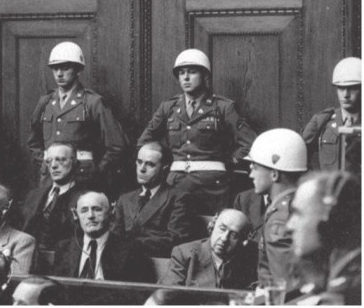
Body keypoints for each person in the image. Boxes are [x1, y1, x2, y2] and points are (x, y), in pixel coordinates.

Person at [137, 48, 256, 214]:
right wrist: (164, 164)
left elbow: (250, 144)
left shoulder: (222, 107)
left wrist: (227, 163)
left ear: (204, 75)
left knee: (210, 231)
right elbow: (144, 142)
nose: (185, 78)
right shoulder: (168, 107)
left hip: (212, 185)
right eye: (181, 73)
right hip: (175, 183)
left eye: (192, 72)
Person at [26, 42, 129, 190]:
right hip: (49, 178)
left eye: (65, 68)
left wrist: (95, 171)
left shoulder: (93, 102)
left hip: (81, 177)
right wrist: (45, 163)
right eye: (55, 68)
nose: (59, 74)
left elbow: (117, 145)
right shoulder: (46, 102)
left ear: (78, 70)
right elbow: (33, 142)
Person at [286, 171, 361, 305]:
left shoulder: (350, 293)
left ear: (329, 224)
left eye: (298, 213)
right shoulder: (331, 282)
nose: (289, 226)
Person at [246, 128, 307, 290]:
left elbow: (285, 287)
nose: (250, 174)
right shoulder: (304, 205)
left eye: (255, 167)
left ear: (274, 174)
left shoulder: (279, 219)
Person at [111, 142, 193, 257]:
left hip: (159, 263)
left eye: (150, 164)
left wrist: (134, 244)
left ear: (165, 169)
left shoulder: (178, 197)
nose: (142, 169)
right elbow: (115, 237)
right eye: (139, 162)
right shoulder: (125, 199)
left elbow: (176, 239)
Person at [52, 191, 154, 282]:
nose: (90, 215)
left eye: (97, 209)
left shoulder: (131, 250)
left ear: (111, 212)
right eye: (84, 210)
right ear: (75, 215)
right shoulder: (64, 248)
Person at [160, 209, 257, 289]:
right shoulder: (184, 254)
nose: (224, 238)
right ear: (212, 227)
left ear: (243, 240)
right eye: (222, 229)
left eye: (233, 235)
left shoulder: (248, 260)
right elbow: (166, 295)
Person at [303, 57, 361, 174]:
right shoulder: (322, 121)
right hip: (329, 190)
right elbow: (298, 154)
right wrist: (315, 182)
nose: (346, 95)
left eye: (352, 88)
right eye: (341, 88)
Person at [18, 143, 80, 253]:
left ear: (75, 163)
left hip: (64, 260)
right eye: (48, 161)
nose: (53, 166)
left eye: (60, 160)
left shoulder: (83, 198)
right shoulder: (34, 195)